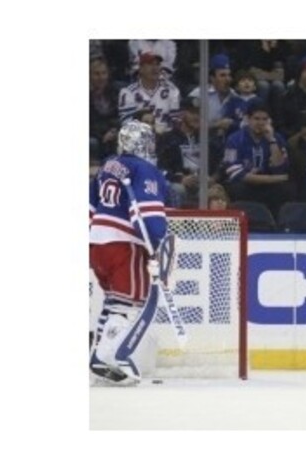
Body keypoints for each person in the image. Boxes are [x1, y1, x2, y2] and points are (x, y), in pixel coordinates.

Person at [88, 120, 172, 386]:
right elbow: (146, 214)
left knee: (113, 302)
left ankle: (98, 357)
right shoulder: (144, 169)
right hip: (125, 245)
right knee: (127, 304)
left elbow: (90, 206)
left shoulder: (108, 165)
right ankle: (104, 359)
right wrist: (156, 246)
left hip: (98, 244)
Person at [221, 100, 294, 217]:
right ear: (248, 119)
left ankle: (275, 224)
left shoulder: (277, 138)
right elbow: (236, 174)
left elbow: (280, 168)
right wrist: (277, 178)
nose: (261, 123)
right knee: (237, 188)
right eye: (257, 119)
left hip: (269, 186)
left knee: (286, 189)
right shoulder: (234, 139)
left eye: (265, 119)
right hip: (245, 186)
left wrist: (272, 141)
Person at [156, 107, 221, 208]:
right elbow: (160, 167)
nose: (196, 117)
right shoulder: (167, 138)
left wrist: (213, 178)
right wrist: (180, 178)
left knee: (213, 193)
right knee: (178, 190)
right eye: (192, 113)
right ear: (182, 114)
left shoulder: (208, 138)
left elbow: (220, 163)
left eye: (199, 114)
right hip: (178, 182)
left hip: (203, 182)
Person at [118, 51, 181, 134]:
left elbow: (176, 120)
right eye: (150, 64)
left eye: (157, 64)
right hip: (139, 135)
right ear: (141, 69)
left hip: (167, 136)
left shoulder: (172, 90)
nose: (154, 68)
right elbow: (126, 123)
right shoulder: (128, 92)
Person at [89, 56, 122, 160]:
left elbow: (121, 115)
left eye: (104, 73)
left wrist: (114, 130)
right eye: (97, 74)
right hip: (96, 135)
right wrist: (102, 134)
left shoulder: (116, 92)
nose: (101, 77)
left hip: (114, 130)